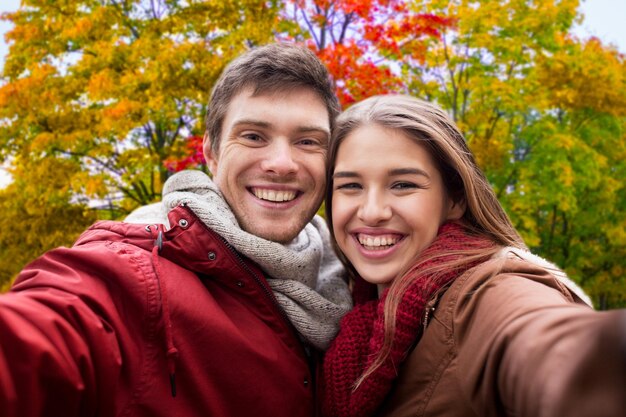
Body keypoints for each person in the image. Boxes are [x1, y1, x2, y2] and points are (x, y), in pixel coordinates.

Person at [0, 43, 352, 417]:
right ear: (211, 153)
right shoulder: (139, 275)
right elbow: (42, 336)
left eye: (308, 141)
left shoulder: (355, 282)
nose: (282, 164)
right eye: (253, 136)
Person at [321, 95, 626, 417]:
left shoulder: (486, 292)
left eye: (403, 185)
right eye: (351, 186)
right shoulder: (349, 311)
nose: (372, 212)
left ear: (455, 199)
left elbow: (546, 343)